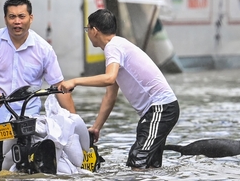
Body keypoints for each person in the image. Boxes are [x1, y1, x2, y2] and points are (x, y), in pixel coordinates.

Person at [58, 9, 179, 169]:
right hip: (158, 111)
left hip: (161, 109)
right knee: (150, 165)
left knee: (137, 159)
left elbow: (109, 78)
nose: (88, 33)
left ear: (94, 31)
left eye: (88, 29)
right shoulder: (118, 47)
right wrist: (96, 127)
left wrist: (75, 81)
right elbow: (110, 96)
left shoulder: (113, 47)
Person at [0, 0, 76, 170]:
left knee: (30, 167)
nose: (17, 21)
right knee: (2, 170)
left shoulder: (43, 49)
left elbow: (60, 88)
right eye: (12, 17)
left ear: (31, 18)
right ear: (5, 19)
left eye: (22, 16)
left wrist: (74, 121)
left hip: (29, 121)